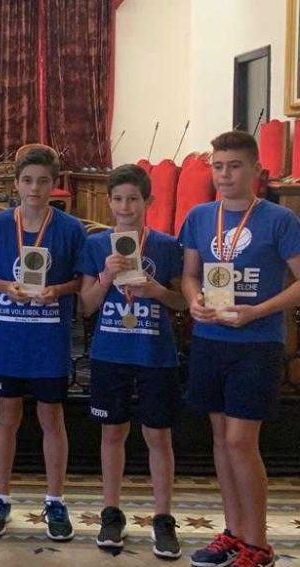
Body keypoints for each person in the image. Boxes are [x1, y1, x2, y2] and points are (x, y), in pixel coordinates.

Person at [180, 131, 300, 567]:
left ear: (255, 171)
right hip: (212, 340)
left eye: (234, 166)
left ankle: (259, 542)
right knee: (219, 439)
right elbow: (191, 274)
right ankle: (233, 531)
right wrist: (194, 299)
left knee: (240, 442)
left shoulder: (279, 220)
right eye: (218, 166)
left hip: (256, 342)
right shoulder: (199, 216)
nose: (225, 174)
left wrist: (258, 311)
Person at [0, 145, 85, 541]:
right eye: (28, 180)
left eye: (43, 181)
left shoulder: (69, 228)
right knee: (7, 418)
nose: (35, 188)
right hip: (11, 340)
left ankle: (55, 499)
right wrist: (6, 286)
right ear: (16, 184)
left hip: (49, 340)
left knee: (52, 420)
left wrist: (57, 290)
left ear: (54, 184)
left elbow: (81, 282)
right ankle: (0, 496)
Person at [77, 164, 185, 558]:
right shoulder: (95, 245)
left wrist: (156, 290)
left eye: (133, 199)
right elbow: (86, 306)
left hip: (155, 352)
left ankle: (163, 517)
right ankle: (111, 511)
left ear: (147, 202)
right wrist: (105, 276)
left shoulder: (168, 246)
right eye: (118, 199)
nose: (125, 206)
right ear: (109, 202)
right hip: (111, 352)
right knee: (112, 433)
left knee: (158, 435)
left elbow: (182, 300)